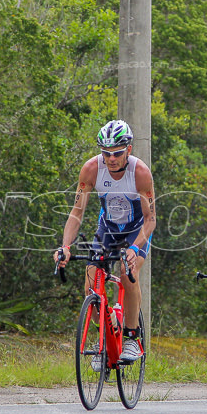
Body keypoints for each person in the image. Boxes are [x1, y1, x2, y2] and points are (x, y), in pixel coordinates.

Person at [54, 120, 156, 363]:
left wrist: (134, 248)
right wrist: (65, 247)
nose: (111, 159)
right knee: (91, 279)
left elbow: (151, 219)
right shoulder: (91, 169)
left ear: (128, 150)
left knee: (126, 271)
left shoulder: (140, 172)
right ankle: (103, 338)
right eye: (106, 153)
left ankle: (132, 337)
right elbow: (76, 212)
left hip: (136, 229)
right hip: (108, 228)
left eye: (117, 153)